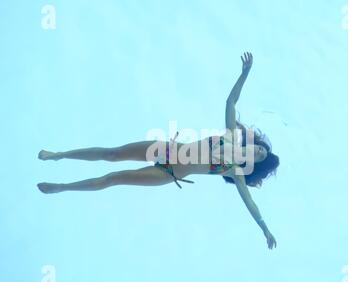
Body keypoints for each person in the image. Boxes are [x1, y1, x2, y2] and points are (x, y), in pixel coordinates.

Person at [37, 52, 280, 249]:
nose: (257, 152)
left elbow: (250, 203)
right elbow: (231, 102)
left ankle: (61, 187)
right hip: (166, 150)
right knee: (112, 153)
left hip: (168, 173)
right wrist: (245, 74)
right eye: (259, 148)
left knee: (113, 179)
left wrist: (265, 228)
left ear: (254, 164)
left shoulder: (236, 172)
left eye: (260, 156)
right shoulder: (229, 136)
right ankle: (58, 155)